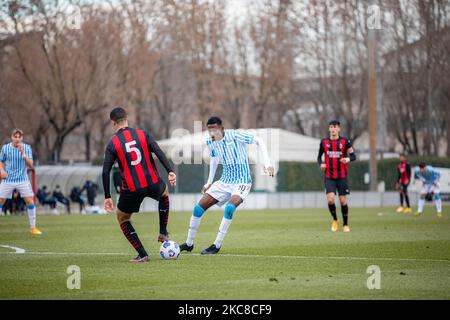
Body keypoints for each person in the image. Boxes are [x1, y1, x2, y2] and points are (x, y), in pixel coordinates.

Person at [179, 116, 274, 255]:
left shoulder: (235, 135)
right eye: (209, 129)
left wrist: (267, 163)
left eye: (214, 129)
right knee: (198, 208)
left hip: (242, 181)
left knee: (230, 207)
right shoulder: (210, 142)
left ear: (221, 128)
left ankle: (216, 245)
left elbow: (259, 141)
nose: (212, 132)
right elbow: (214, 159)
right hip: (224, 181)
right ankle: (189, 243)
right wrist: (209, 182)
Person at [102, 107, 177, 262]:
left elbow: (105, 171)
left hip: (131, 188)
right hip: (152, 181)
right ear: (127, 117)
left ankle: (142, 254)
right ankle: (163, 231)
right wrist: (170, 171)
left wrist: (107, 196)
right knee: (164, 194)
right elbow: (158, 151)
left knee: (122, 218)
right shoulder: (143, 134)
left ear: (113, 122)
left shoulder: (113, 143)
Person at [317, 120, 356, 232]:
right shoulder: (324, 142)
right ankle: (335, 220)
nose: (333, 129)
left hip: (342, 176)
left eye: (335, 127)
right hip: (329, 176)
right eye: (331, 127)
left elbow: (353, 156)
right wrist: (321, 164)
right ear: (329, 129)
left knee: (343, 201)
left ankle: (345, 224)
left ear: (339, 129)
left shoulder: (345, 142)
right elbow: (319, 157)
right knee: (330, 200)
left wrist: (347, 159)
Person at [0, 128, 42, 234]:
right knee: (1, 201)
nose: (17, 139)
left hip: (22, 179)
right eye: (15, 137)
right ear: (12, 137)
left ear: (22, 138)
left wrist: (23, 154)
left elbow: (31, 165)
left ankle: (33, 228)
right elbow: (1, 161)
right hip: (8, 179)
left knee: (29, 201)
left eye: (19, 137)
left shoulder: (27, 148)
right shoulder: (5, 148)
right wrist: (1, 170)